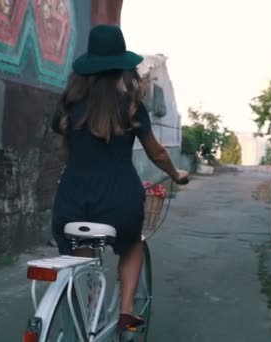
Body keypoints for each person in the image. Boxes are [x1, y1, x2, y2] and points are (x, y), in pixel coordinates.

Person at [50, 25, 189, 331]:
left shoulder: (69, 103)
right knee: (132, 244)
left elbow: (66, 145)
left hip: (72, 201)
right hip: (118, 202)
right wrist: (175, 174)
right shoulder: (131, 106)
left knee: (79, 250)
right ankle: (126, 309)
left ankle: (84, 314)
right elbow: (157, 153)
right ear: (122, 67)